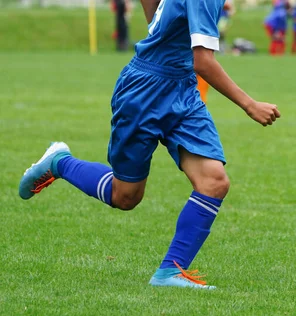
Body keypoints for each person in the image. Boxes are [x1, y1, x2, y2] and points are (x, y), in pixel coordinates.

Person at [19, 0, 281, 289]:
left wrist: (159, 27)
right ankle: (60, 162)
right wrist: (250, 105)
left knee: (214, 181)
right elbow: (203, 61)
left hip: (182, 90)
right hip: (144, 91)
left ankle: (170, 272)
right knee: (125, 197)